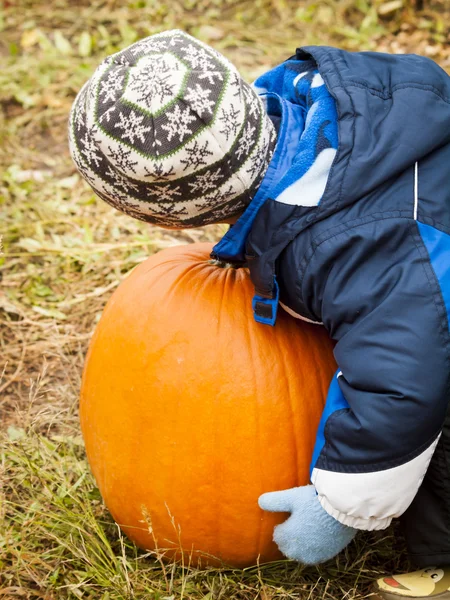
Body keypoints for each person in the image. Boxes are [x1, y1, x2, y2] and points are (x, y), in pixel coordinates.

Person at [68, 29, 450, 599]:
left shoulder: (351, 245)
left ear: (186, 212)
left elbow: (405, 383)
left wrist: (339, 507)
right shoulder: (316, 103)